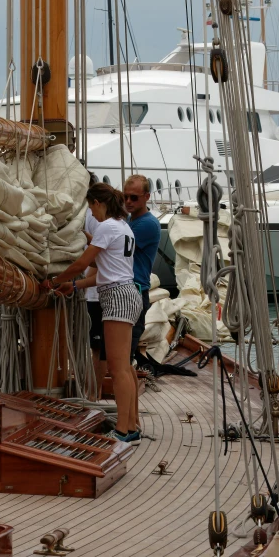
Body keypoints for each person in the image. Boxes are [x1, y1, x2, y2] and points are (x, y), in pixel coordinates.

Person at [45, 183, 142, 443]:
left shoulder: (107, 226)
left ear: (99, 203)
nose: (92, 214)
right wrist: (74, 285)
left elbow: (81, 263)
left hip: (117, 298)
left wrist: (54, 281)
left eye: (91, 207)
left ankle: (122, 431)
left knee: (118, 368)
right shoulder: (123, 227)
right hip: (125, 293)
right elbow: (102, 273)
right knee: (125, 368)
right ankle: (131, 425)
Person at [124, 174, 161, 426]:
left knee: (123, 362)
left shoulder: (146, 224)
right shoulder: (130, 220)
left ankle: (130, 423)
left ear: (147, 197)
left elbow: (115, 246)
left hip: (135, 293)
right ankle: (129, 419)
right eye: (125, 197)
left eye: (134, 198)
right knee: (121, 361)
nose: (128, 201)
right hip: (128, 291)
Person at [84, 173, 107, 400]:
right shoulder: (98, 220)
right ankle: (93, 394)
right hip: (95, 296)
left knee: (99, 350)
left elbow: (96, 261)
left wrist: (76, 284)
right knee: (98, 349)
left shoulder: (96, 219)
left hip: (95, 296)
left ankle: (94, 395)